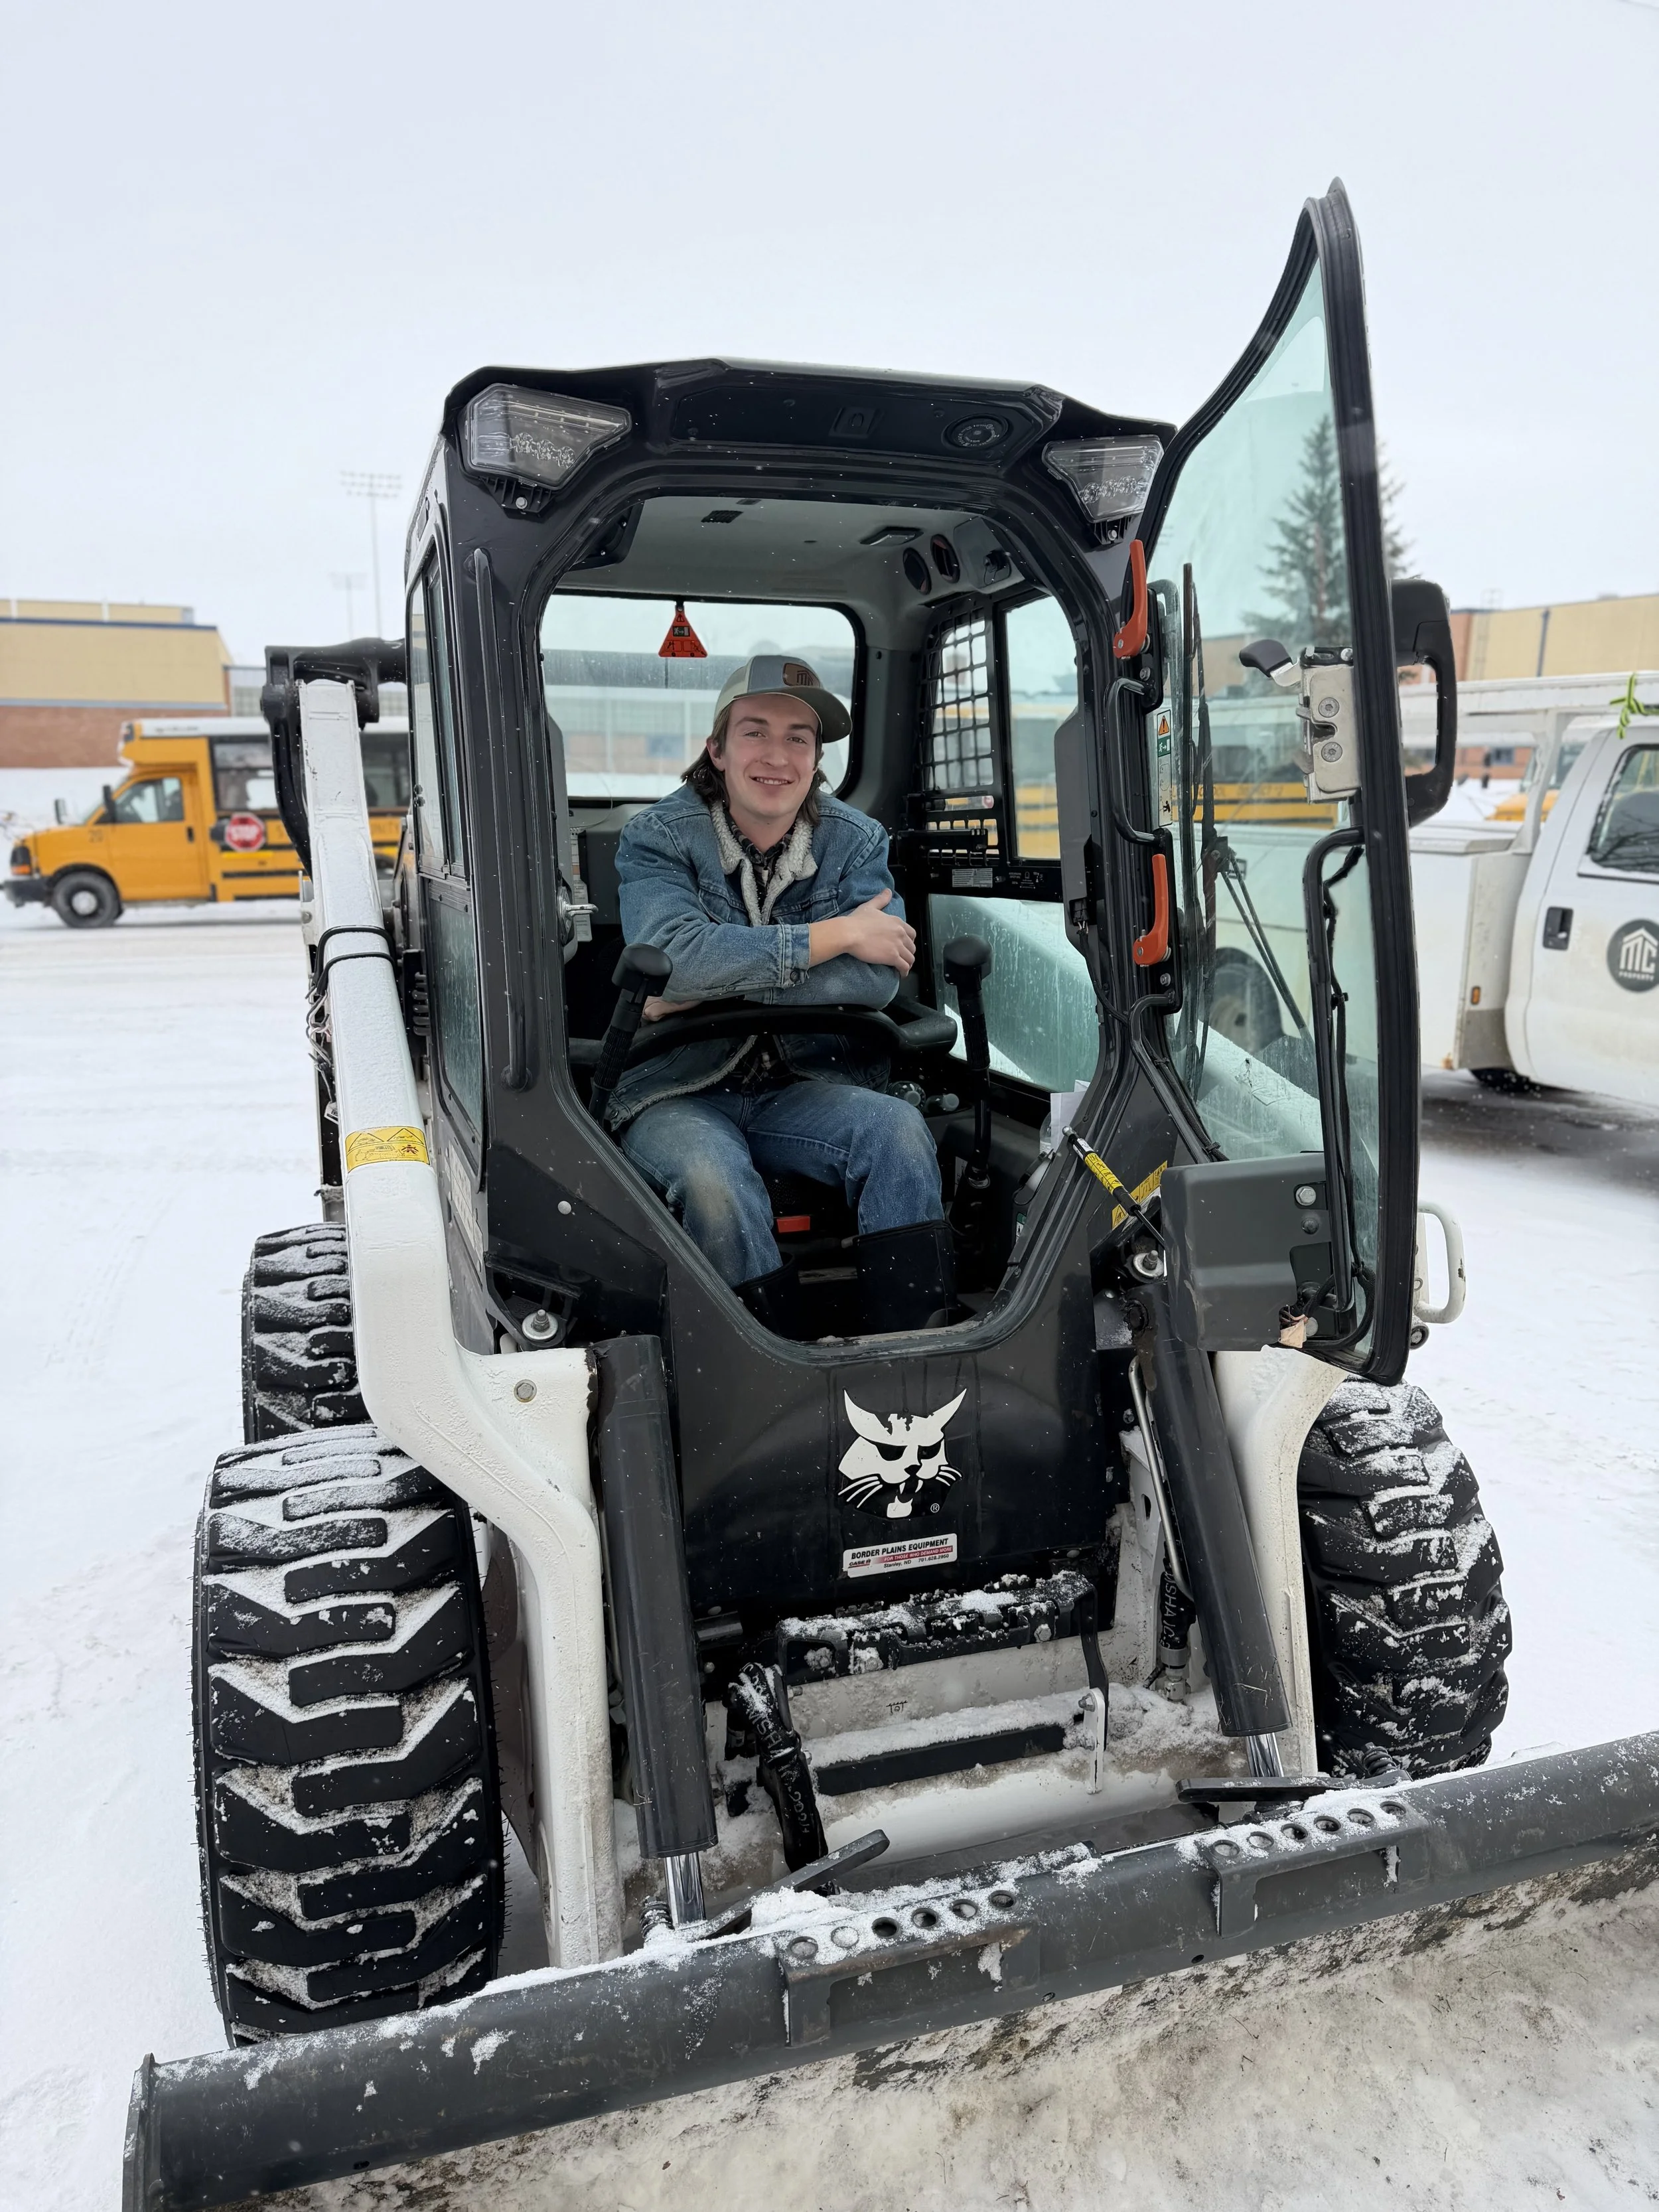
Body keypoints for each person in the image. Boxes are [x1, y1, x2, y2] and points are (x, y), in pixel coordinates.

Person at [609, 653, 952, 1335]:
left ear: (816, 757)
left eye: (798, 738)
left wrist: (702, 992)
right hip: (678, 1088)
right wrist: (833, 937)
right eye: (755, 732)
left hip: (807, 1081)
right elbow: (673, 958)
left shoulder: (856, 842)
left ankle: (912, 1348)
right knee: (713, 1180)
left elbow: (876, 976)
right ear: (717, 749)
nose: (778, 755)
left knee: (897, 1132)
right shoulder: (656, 838)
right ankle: (764, 1361)